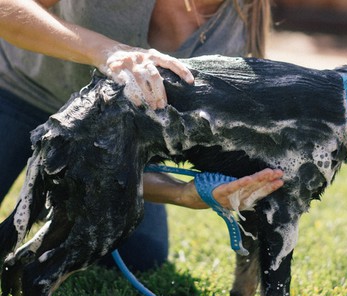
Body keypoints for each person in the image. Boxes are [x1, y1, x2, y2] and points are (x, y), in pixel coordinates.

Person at [0, 0, 282, 271]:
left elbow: (141, 158)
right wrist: (106, 51)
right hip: (22, 90)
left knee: (144, 257)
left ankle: (61, 197)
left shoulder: (241, 31)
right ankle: (61, 196)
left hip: (106, 142)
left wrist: (182, 193)